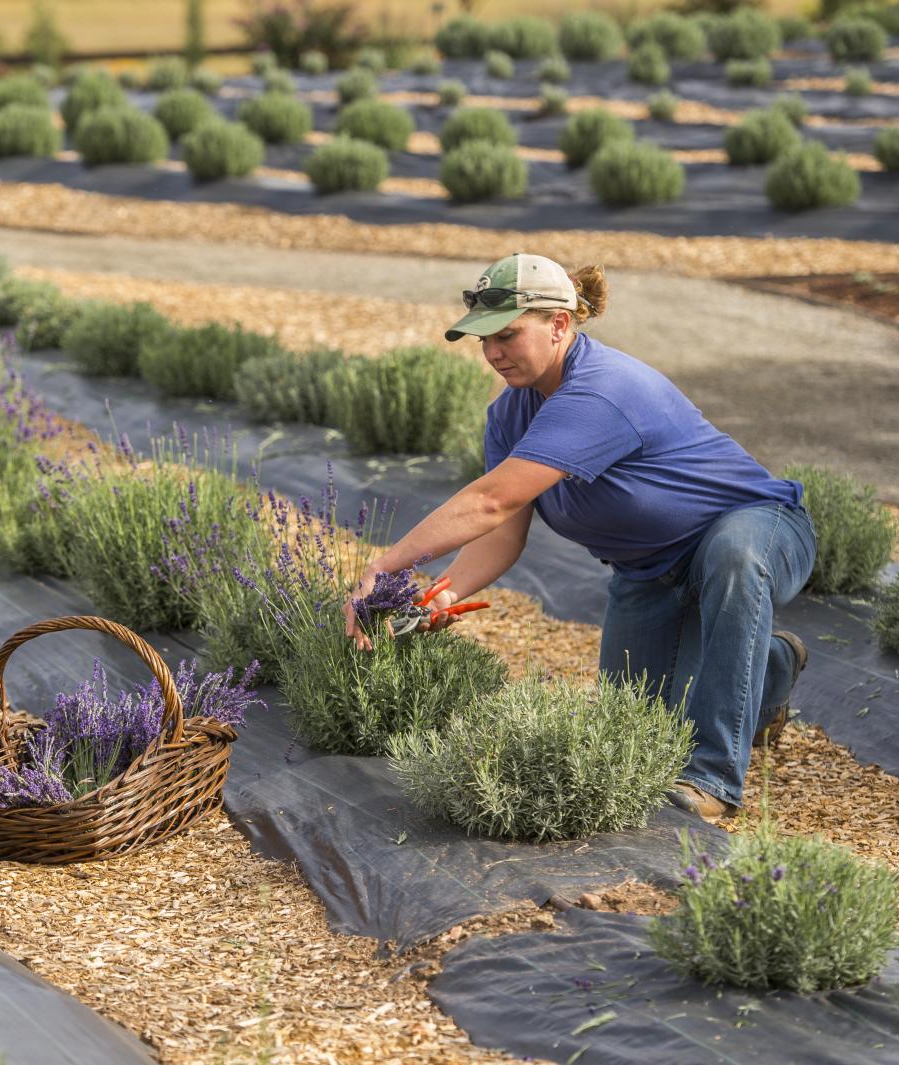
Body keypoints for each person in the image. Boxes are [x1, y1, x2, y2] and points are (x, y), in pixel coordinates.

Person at [344, 252, 816, 822]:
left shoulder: (601, 390)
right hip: (650, 574)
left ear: (559, 325)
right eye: (482, 339)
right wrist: (441, 594)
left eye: (507, 334)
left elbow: (492, 499)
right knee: (632, 735)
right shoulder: (509, 417)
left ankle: (713, 778)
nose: (493, 352)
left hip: (758, 531)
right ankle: (769, 664)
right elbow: (500, 532)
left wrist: (386, 566)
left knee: (733, 560)